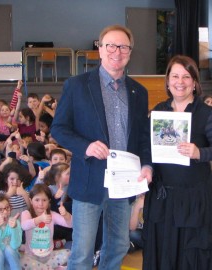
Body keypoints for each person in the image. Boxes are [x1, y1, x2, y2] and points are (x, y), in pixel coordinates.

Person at [51, 24, 152, 270]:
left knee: (118, 245)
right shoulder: (76, 85)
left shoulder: (139, 92)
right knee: (83, 252)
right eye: (111, 46)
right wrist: (85, 146)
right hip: (89, 180)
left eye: (123, 46)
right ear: (100, 49)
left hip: (124, 183)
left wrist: (147, 165)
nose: (117, 51)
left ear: (130, 51)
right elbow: (59, 129)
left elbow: (142, 138)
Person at [142, 55, 212, 270]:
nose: (179, 81)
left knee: (192, 256)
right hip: (163, 199)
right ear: (168, 81)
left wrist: (199, 152)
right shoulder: (158, 111)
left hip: (195, 200)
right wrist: (147, 166)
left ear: (194, 83)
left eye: (186, 76)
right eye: (175, 76)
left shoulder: (207, 114)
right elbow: (147, 147)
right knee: (163, 251)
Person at [20, 184, 72, 270]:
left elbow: (70, 224)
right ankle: (52, 268)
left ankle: (45, 268)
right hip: (31, 256)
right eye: (37, 200)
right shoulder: (26, 213)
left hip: (49, 256)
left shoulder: (52, 215)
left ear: (49, 202)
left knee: (69, 253)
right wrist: (40, 219)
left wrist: (66, 215)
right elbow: (24, 225)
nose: (40, 204)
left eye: (44, 200)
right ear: (30, 200)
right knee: (21, 260)